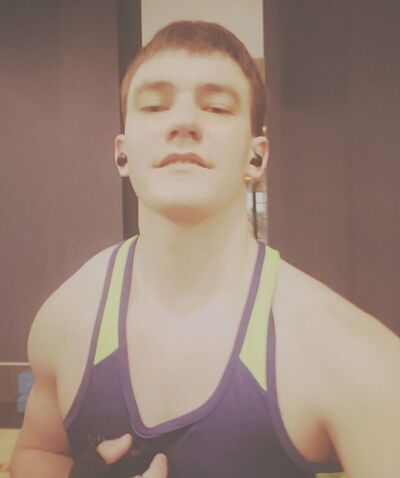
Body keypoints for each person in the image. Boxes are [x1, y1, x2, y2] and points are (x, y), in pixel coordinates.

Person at [10, 20, 400, 478]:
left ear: (257, 156)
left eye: (216, 107)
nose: (183, 123)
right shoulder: (65, 319)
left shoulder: (350, 356)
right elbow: (37, 456)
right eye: (155, 106)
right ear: (122, 153)